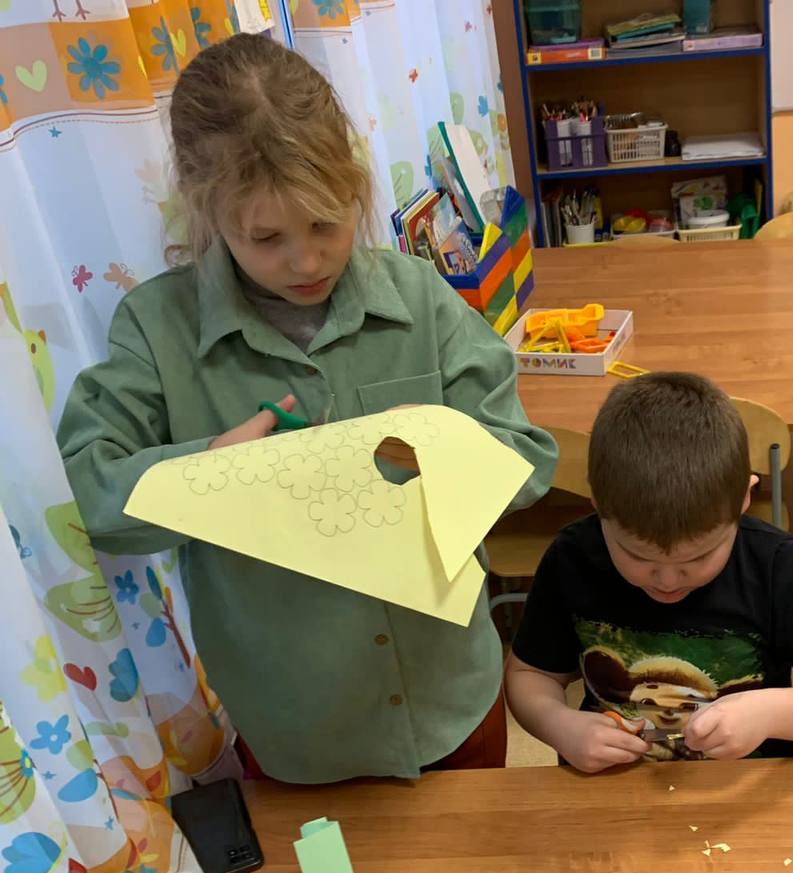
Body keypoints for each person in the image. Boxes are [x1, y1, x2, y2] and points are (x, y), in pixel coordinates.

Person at [58, 35, 555, 783]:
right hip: (295, 729)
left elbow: (527, 456)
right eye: (265, 238)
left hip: (451, 697)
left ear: (355, 186)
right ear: (207, 213)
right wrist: (209, 471)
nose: (307, 260)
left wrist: (436, 455)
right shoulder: (157, 331)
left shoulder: (418, 297)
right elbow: (88, 495)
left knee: (479, 858)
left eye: (327, 223)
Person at [504, 372, 793, 771]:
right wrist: (559, 724)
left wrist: (770, 712)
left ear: (744, 499)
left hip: (743, 792)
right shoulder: (574, 558)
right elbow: (530, 674)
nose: (667, 581)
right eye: (639, 557)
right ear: (598, 502)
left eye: (698, 559)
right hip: (610, 789)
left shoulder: (773, 566)